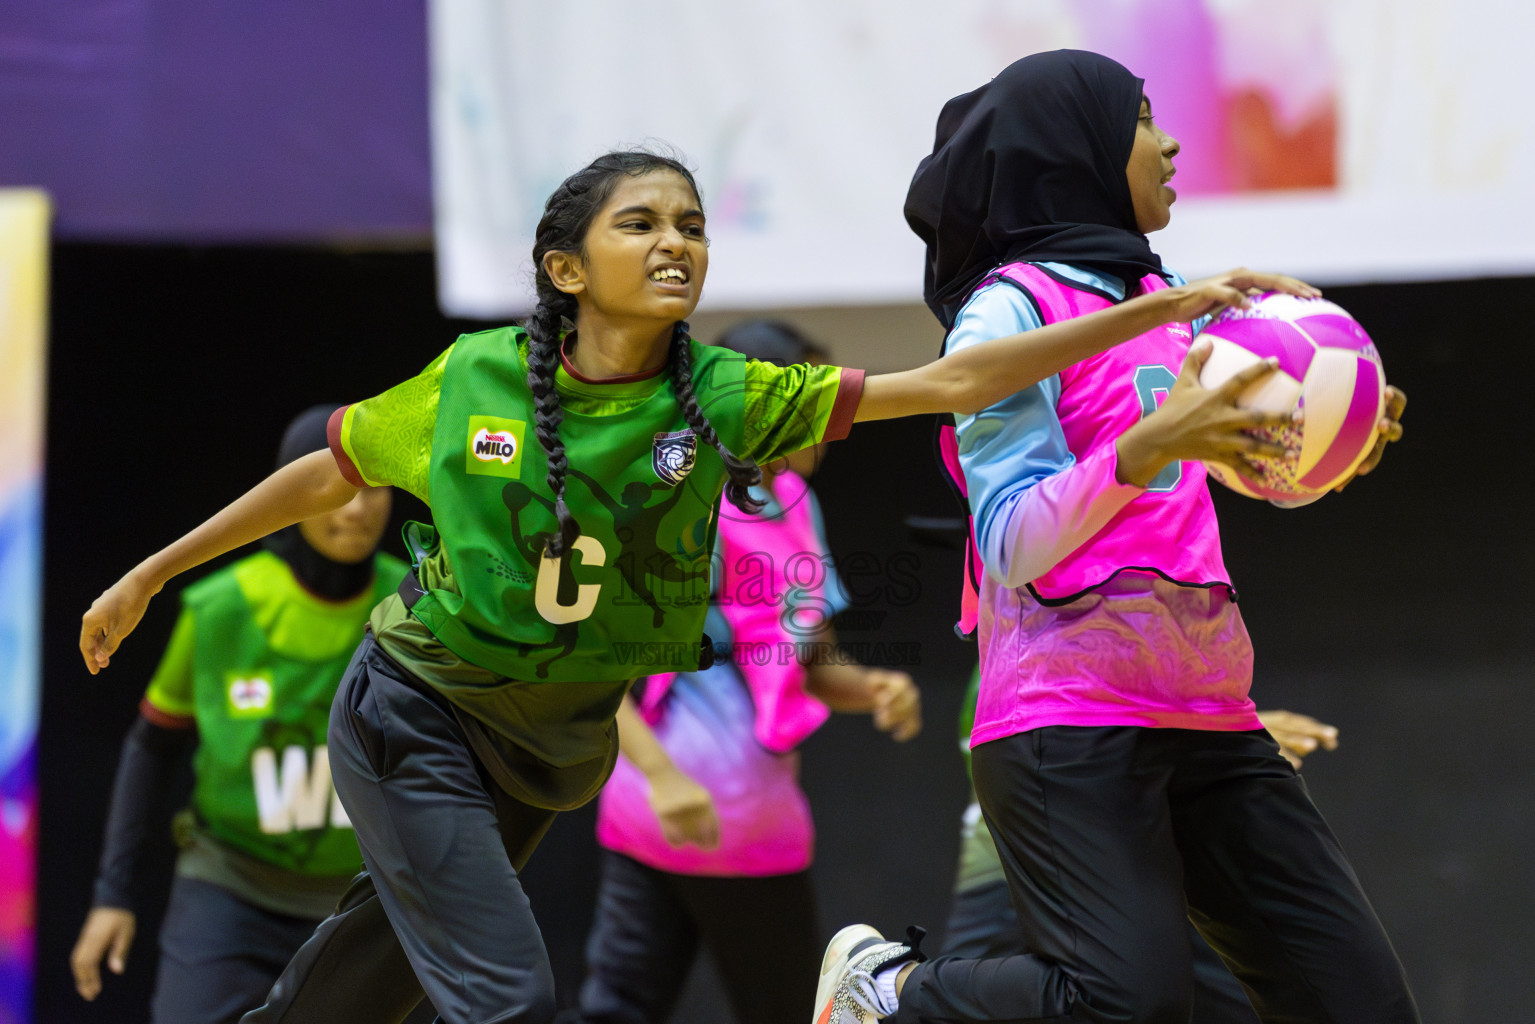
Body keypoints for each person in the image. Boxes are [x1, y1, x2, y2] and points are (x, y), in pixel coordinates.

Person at [80, 148, 1309, 1024]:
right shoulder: (470, 380)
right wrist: (147, 573)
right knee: (508, 996)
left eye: (690, 222)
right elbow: (323, 471)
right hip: (417, 714)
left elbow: (944, 384)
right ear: (563, 268)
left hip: (546, 755)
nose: (675, 240)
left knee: (364, 983)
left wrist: (1164, 303)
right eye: (639, 223)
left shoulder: (716, 397)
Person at [812, 50, 1415, 1024]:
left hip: (1205, 707)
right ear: (1077, 148)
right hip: (1064, 718)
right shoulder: (1007, 315)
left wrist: (1328, 449)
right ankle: (888, 991)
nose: (1171, 140)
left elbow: (1224, 480)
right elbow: (1007, 538)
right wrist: (1136, 451)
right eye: (1140, 119)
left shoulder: (1163, 299)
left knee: (1356, 1005)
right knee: (1125, 1006)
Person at [573, 320, 922, 1024]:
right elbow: (590, 663)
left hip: (751, 822)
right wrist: (665, 778)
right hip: (659, 809)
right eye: (814, 401)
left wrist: (874, 688)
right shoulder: (675, 502)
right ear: (757, 401)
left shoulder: (797, 506)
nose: (833, 422)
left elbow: (812, 663)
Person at [68, 406, 405, 1024]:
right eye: (336, 488)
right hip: (231, 887)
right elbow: (152, 748)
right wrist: (113, 896)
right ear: (291, 492)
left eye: (374, 485)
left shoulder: (416, 602)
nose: (357, 508)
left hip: (365, 900)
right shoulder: (219, 608)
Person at [942, 667, 1340, 1024]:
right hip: (1036, 860)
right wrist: (1204, 735)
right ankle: (890, 978)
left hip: (1154, 856)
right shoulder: (1037, 630)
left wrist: (1216, 738)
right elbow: (1015, 739)